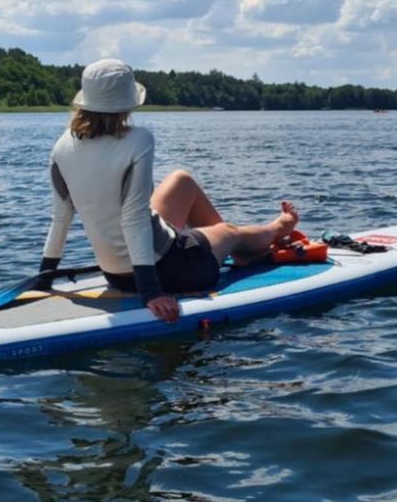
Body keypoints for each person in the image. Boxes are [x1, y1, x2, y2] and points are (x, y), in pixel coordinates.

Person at [37, 58, 298, 324]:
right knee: (230, 231)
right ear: (127, 103)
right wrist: (151, 293)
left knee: (180, 180)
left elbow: (61, 218)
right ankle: (275, 229)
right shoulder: (138, 140)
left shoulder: (62, 146)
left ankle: (223, 252)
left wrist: (43, 279)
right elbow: (134, 218)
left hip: (114, 273)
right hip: (166, 270)